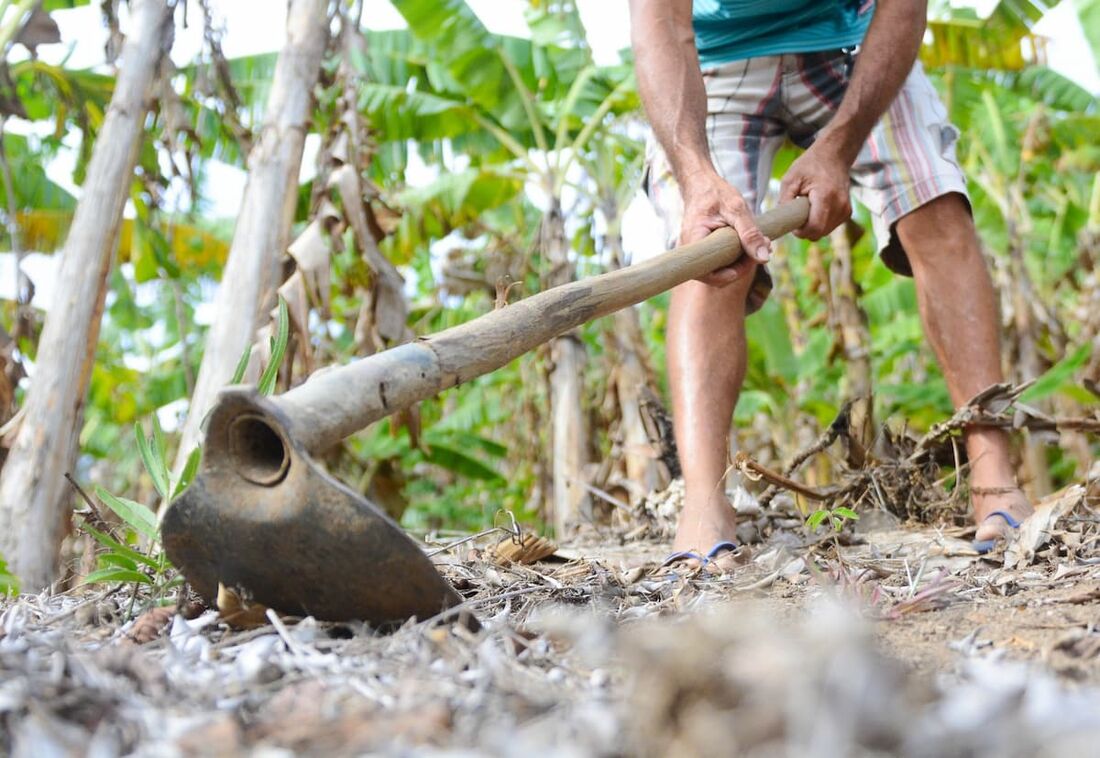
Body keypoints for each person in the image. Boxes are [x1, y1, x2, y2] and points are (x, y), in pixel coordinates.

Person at [628, 0, 1033, 564]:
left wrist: (839, 148)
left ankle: (994, 479)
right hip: (714, 62)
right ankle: (703, 502)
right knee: (709, 251)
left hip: (856, 45)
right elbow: (660, 23)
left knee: (935, 208)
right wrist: (697, 177)